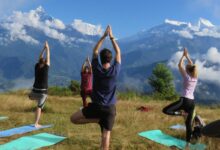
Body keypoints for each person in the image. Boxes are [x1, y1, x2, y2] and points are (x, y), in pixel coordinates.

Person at [70, 25, 121, 150]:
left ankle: (96, 120)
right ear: (111, 59)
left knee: (73, 119)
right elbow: (118, 52)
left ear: (101, 59)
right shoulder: (115, 70)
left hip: (96, 107)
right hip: (110, 109)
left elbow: (95, 51)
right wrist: (112, 37)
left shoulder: (96, 69)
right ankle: (100, 121)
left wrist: (103, 36)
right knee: (106, 134)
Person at [162, 48, 198, 149]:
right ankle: (188, 145)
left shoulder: (186, 77)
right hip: (192, 103)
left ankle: (181, 113)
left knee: (165, 110)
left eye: (186, 68)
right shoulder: (195, 77)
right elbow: (192, 64)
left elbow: (179, 65)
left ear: (187, 70)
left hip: (184, 101)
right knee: (188, 125)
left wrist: (183, 56)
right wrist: (187, 57)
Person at [29, 41, 50, 128]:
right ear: (45, 63)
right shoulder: (46, 68)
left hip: (33, 92)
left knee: (36, 98)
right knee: (39, 107)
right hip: (42, 93)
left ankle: (33, 98)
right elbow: (48, 57)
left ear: (39, 62)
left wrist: (43, 49)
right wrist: (48, 48)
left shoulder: (36, 67)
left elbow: (40, 58)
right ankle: (36, 123)